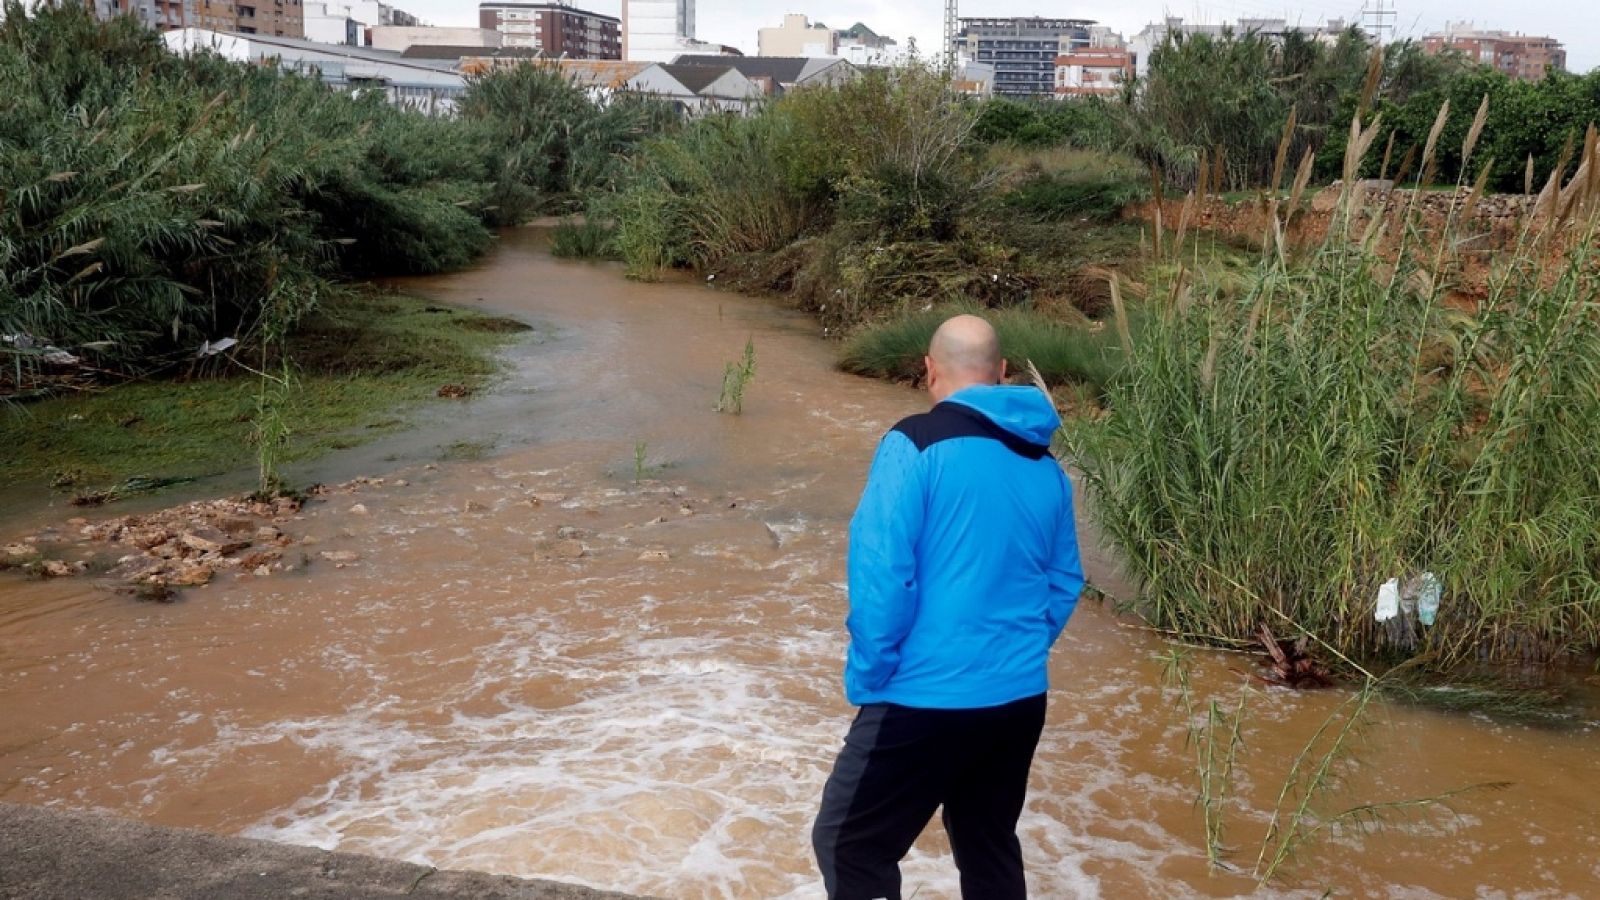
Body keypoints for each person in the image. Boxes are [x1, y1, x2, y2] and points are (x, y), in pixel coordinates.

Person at [811, 314, 1085, 900]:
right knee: (988, 847)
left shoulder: (913, 443)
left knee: (849, 845)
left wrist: (871, 675)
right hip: (1017, 698)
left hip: (924, 695)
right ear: (1002, 374)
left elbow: (883, 572)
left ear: (929, 370)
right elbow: (1065, 582)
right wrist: (1016, 653)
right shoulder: (1046, 467)